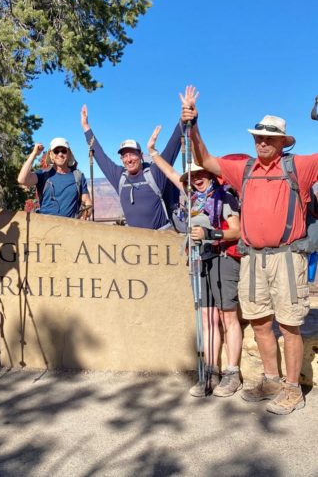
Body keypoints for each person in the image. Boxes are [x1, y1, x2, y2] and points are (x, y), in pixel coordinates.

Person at [181, 86, 318, 415]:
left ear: (283, 142)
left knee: (289, 325)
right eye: (257, 137)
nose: (261, 142)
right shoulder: (244, 170)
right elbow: (205, 160)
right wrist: (193, 124)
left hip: (287, 257)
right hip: (252, 258)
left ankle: (291, 388)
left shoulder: (299, 166)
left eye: (269, 138)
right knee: (259, 322)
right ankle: (270, 379)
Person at [147, 124, 243, 397]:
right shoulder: (190, 195)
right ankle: (210, 370)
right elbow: (170, 172)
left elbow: (236, 229)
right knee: (206, 315)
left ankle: (232, 373)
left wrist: (211, 233)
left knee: (227, 316)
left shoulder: (223, 196)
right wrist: (153, 152)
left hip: (223, 257)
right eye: (193, 175)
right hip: (199, 259)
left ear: (209, 174)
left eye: (201, 173)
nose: (197, 178)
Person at [80, 100, 184, 229]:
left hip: (161, 240)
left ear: (140, 155)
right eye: (124, 155)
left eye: (132, 154)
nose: (128, 159)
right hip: (134, 241)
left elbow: (172, 146)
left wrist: (184, 119)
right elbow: (100, 155)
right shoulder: (119, 177)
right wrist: (86, 127)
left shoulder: (155, 173)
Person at [17, 137, 92, 219]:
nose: (60, 154)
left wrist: (86, 213)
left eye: (64, 151)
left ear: (69, 154)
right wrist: (34, 154)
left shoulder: (78, 176)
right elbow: (22, 180)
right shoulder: (43, 174)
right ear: (51, 156)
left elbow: (87, 201)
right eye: (56, 151)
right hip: (45, 227)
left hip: (70, 228)